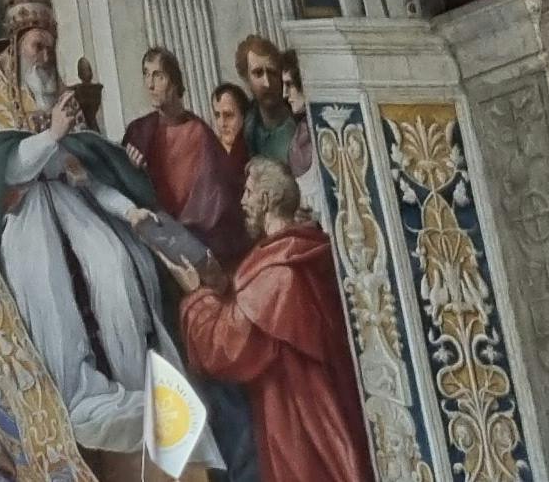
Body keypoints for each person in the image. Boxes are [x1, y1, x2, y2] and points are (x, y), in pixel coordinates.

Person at [0, 0, 197, 461]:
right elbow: (7, 169)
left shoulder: (59, 95)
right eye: (37, 47)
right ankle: (81, 396)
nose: (45, 57)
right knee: (47, 279)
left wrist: (130, 209)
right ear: (16, 44)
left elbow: (87, 170)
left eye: (50, 46)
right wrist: (53, 135)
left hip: (71, 205)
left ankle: (134, 387)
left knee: (116, 263)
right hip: (19, 216)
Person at [168, 159, 368, 482]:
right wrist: (221, 286)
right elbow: (250, 310)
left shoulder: (278, 274)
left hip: (297, 415)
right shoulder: (299, 249)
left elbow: (225, 347)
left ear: (265, 199)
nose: (242, 201)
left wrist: (196, 295)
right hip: (313, 402)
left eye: (248, 193)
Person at [124, 46, 243, 263]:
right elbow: (125, 191)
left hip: (192, 241)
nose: (150, 84)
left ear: (175, 82)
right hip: (149, 237)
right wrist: (133, 172)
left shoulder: (199, 134)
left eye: (158, 76)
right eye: (146, 75)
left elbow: (217, 205)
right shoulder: (138, 131)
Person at [233, 34, 307, 173]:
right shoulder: (246, 133)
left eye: (272, 72)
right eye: (258, 73)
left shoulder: (300, 119)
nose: (267, 83)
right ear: (247, 79)